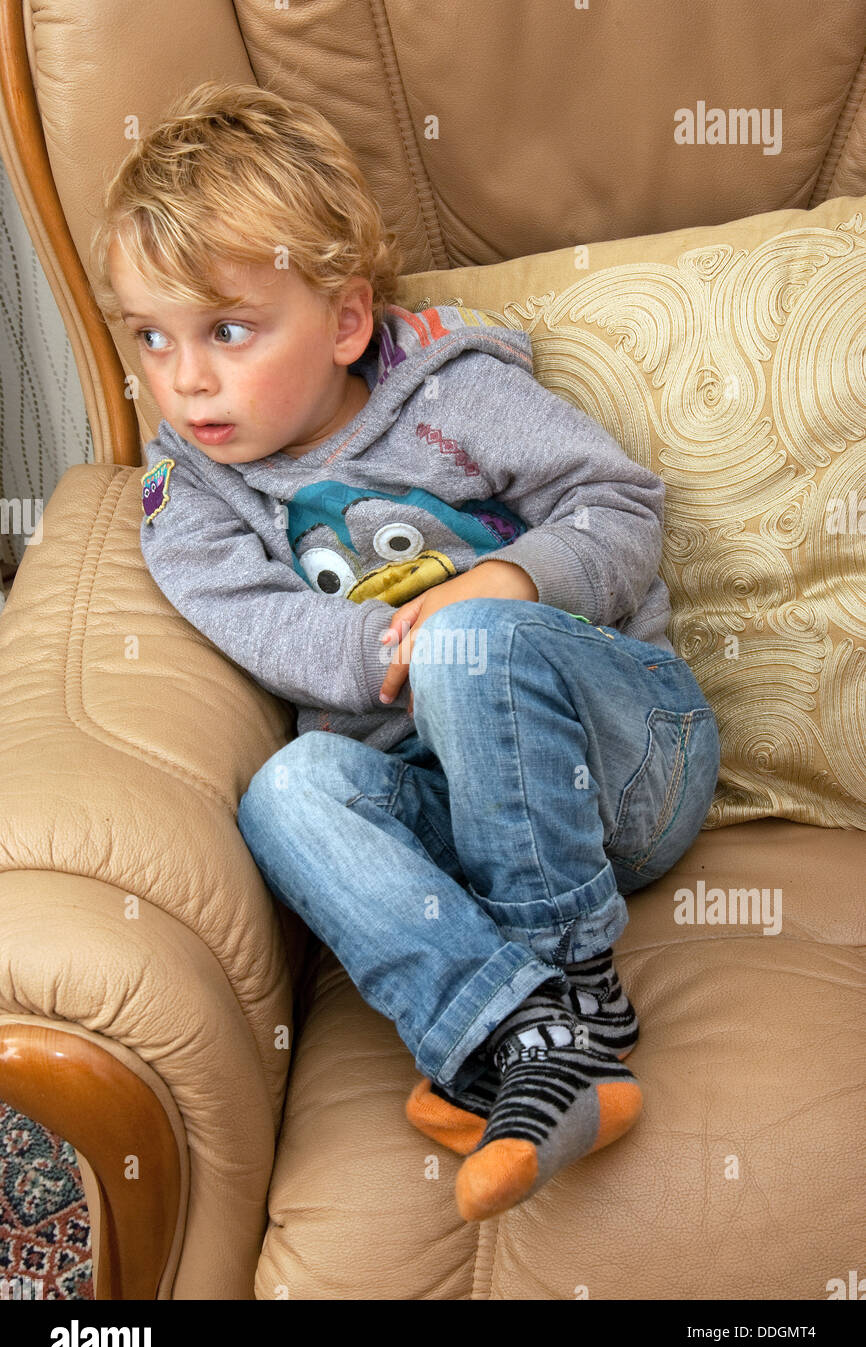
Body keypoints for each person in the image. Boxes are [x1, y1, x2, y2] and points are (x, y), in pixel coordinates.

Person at [91, 79, 721, 1223]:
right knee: (289, 789)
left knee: (472, 641)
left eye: (226, 330)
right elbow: (258, 620)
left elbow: (618, 506)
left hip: (624, 759)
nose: (184, 380)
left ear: (342, 321)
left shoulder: (452, 391)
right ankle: (505, 1029)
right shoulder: (188, 492)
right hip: (460, 818)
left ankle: (575, 988)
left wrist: (509, 577)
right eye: (149, 337)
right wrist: (383, 645)